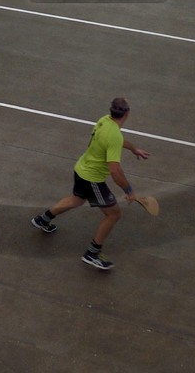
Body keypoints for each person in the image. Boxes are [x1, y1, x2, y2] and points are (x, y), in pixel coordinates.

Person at [31, 96, 151, 271]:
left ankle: (43, 219)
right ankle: (92, 254)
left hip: (81, 168)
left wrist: (134, 149)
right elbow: (115, 171)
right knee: (113, 214)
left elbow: (117, 140)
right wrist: (129, 191)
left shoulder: (104, 120)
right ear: (127, 114)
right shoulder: (114, 135)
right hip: (92, 179)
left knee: (76, 200)